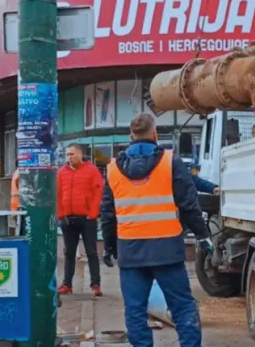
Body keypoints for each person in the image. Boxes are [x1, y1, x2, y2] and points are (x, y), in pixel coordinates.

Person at [100, 113, 213, 347]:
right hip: (167, 250)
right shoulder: (171, 162)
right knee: (182, 307)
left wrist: (110, 247)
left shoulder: (112, 169)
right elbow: (189, 204)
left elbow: (108, 214)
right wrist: (203, 235)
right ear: (154, 134)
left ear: (131, 135)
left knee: (135, 311)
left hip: (130, 252)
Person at [56, 144, 104, 296]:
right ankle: (67, 285)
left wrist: (93, 214)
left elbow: (98, 192)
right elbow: (57, 195)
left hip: (87, 218)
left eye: (72, 154)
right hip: (68, 219)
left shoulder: (91, 170)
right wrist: (61, 215)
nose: (69, 157)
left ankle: (95, 285)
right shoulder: (61, 172)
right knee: (69, 253)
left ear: (80, 154)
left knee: (91, 252)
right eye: (67, 154)